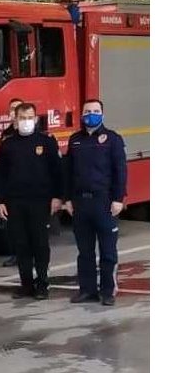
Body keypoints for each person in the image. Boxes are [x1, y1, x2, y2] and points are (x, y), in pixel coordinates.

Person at [0, 102, 63, 300]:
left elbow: (58, 172)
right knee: (21, 244)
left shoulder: (47, 141)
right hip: (15, 202)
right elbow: (1, 175)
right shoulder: (8, 144)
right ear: (15, 120)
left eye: (29, 118)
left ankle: (42, 284)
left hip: (40, 202)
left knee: (40, 244)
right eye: (22, 118)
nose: (26, 121)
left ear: (35, 119)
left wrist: (58, 197)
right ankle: (26, 285)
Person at [63, 99, 128, 306]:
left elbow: (120, 171)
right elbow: (68, 173)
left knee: (108, 251)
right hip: (81, 204)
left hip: (104, 202)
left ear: (102, 114)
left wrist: (118, 199)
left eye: (96, 111)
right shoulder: (75, 140)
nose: (91, 114)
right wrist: (67, 199)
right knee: (85, 252)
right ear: (82, 115)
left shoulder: (112, 139)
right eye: (88, 111)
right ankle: (87, 290)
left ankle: (108, 291)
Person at [0, 98, 24, 269]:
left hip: (31, 190)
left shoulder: (38, 133)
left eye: (17, 109)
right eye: (12, 109)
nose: (14, 113)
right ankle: (15, 254)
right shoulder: (6, 134)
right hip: (11, 186)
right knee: (12, 225)